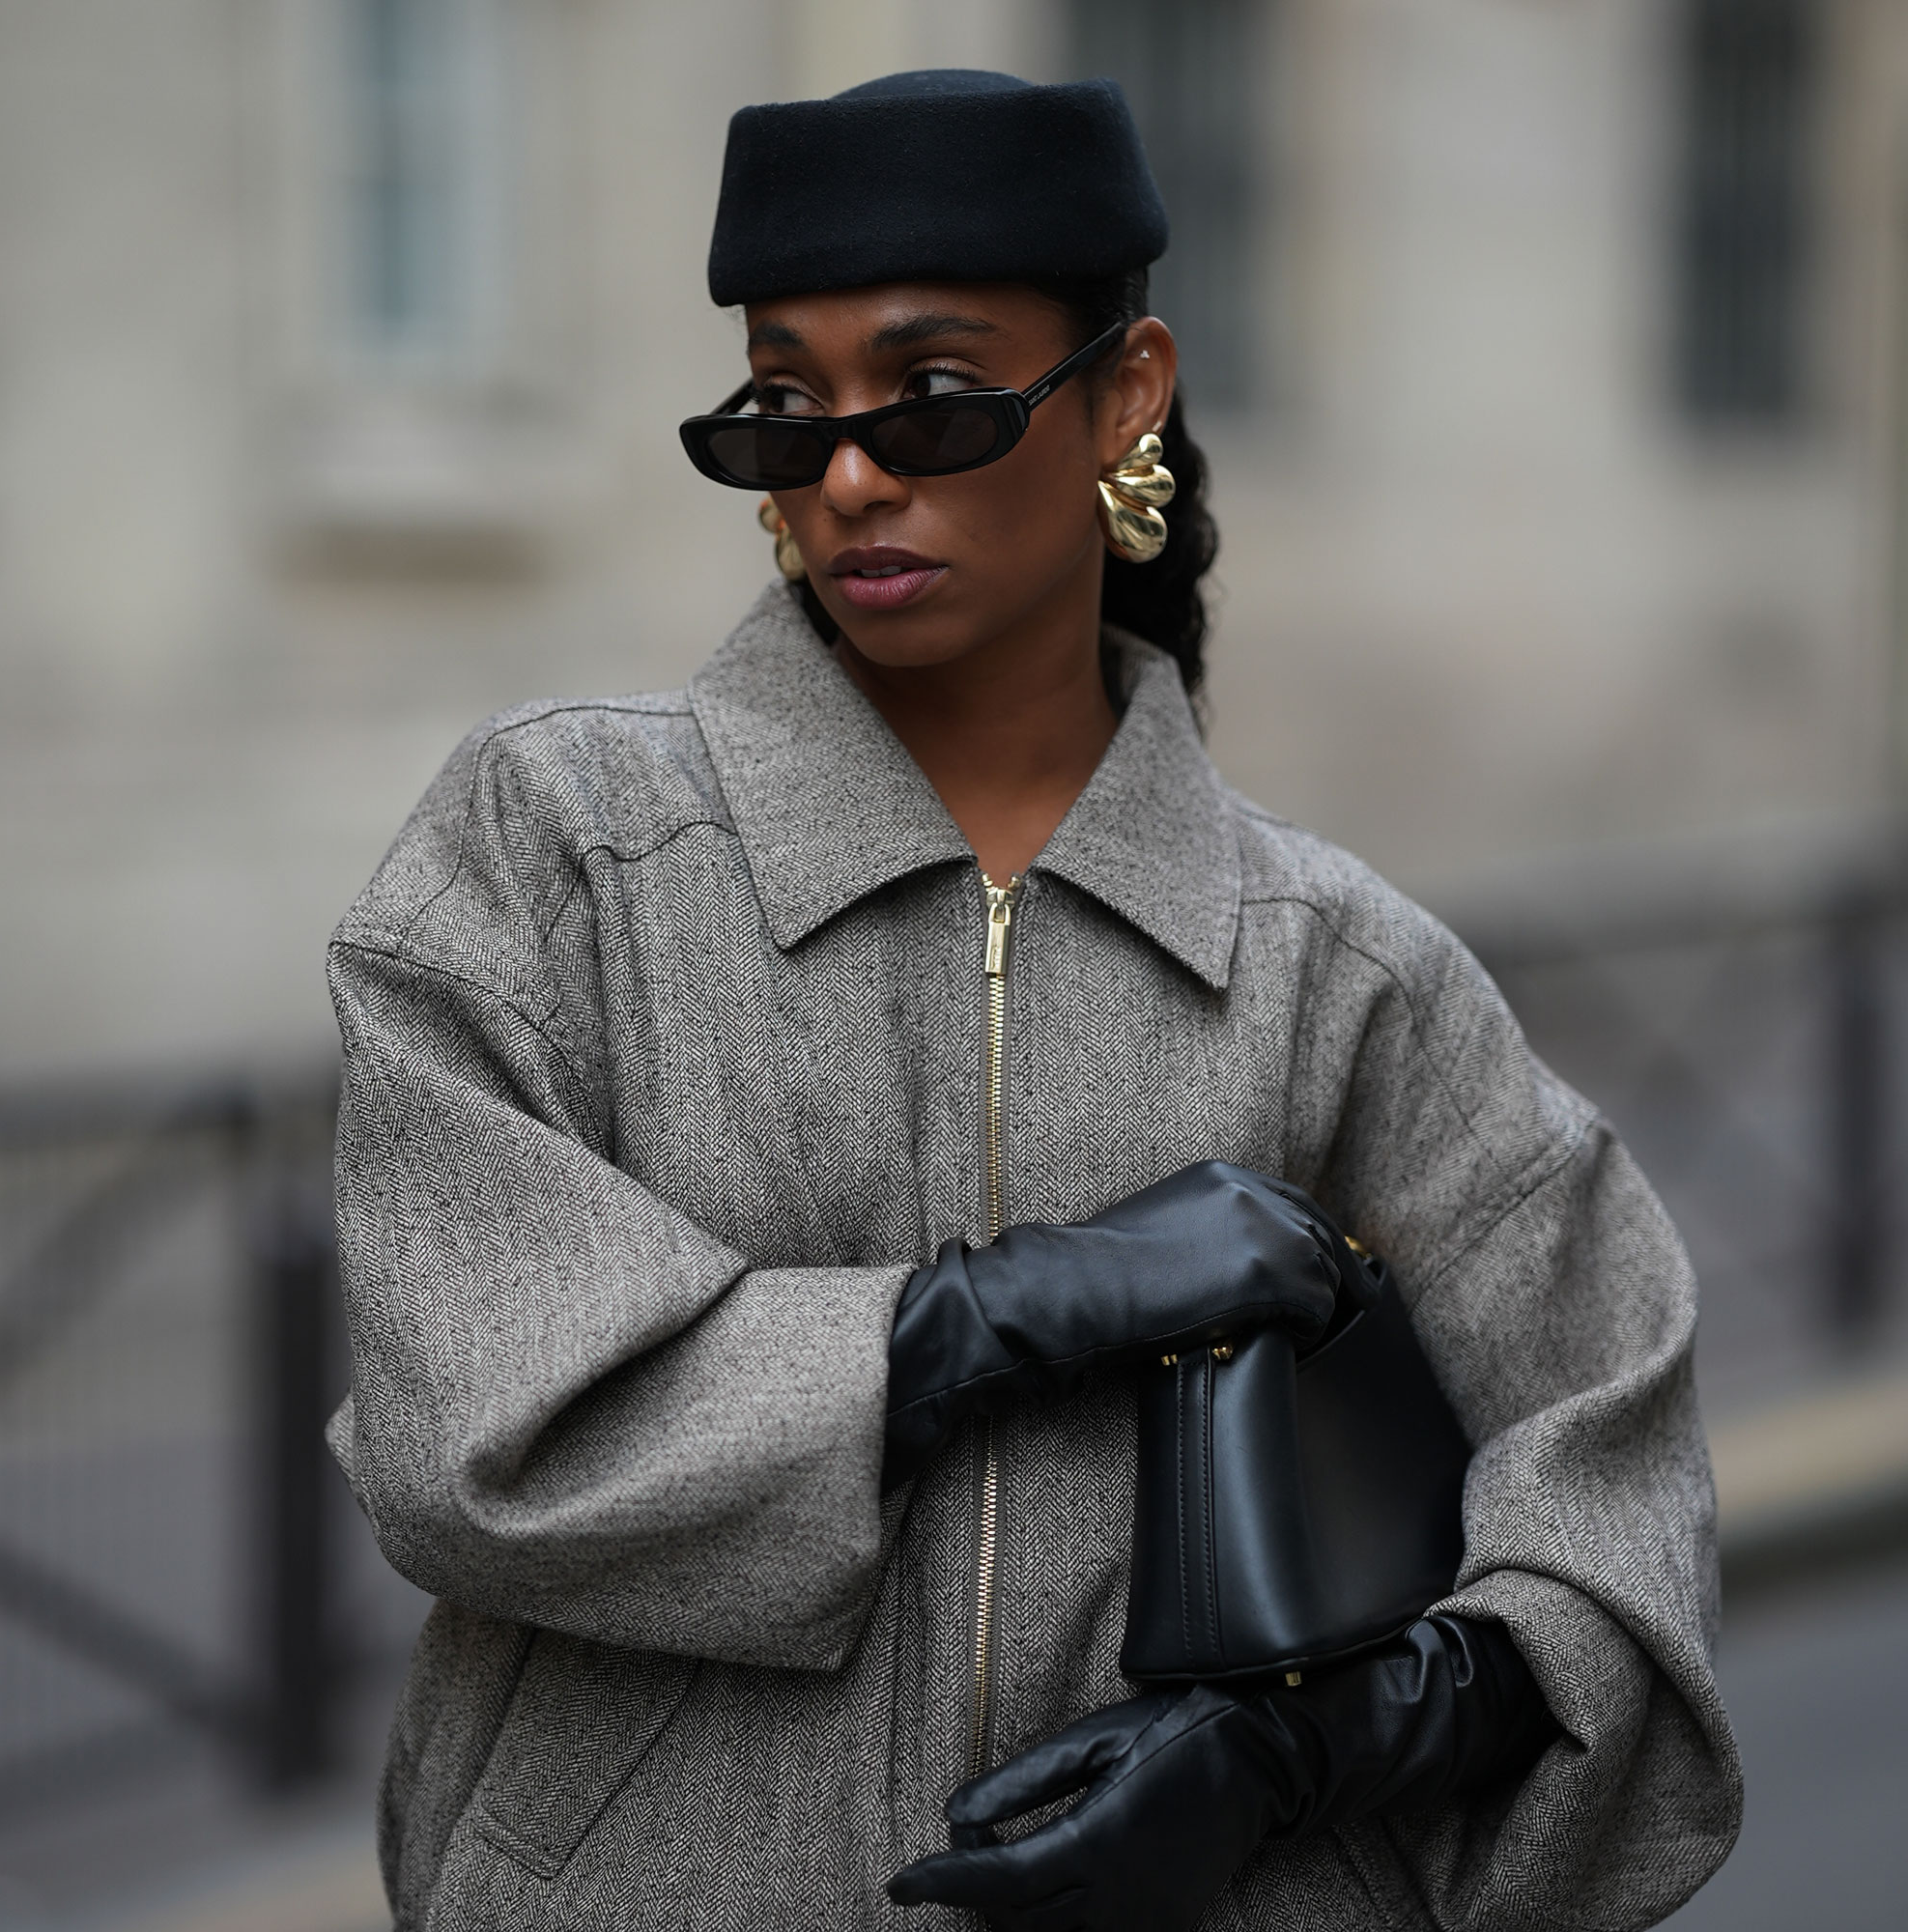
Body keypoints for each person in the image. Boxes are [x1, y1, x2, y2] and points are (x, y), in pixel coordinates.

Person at [327, 70, 1742, 1931]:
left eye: (930, 391)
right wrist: (986, 1320)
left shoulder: (1343, 972)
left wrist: (1320, 1745)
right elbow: (463, 1429)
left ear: (1127, 393)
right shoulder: (557, 853)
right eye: (782, 403)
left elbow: (1618, 1484)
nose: (846, 474)